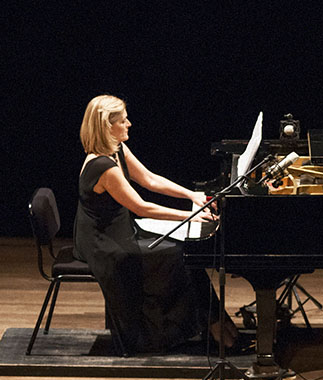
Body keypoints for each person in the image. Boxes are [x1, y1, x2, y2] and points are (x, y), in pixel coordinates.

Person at [74, 94, 238, 354]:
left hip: (119, 233)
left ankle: (219, 330)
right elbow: (141, 206)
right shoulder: (104, 167)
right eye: (123, 121)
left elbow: (149, 179)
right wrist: (190, 215)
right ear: (108, 126)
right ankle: (196, 332)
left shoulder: (116, 148)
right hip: (104, 246)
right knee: (177, 255)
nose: (129, 124)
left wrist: (190, 195)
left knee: (183, 254)